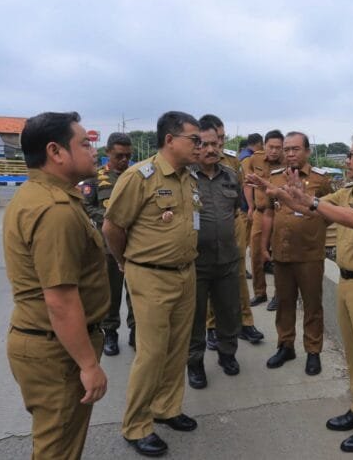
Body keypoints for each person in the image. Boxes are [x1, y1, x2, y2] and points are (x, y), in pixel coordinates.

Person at [247, 132, 353, 453]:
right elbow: (307, 208)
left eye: (352, 155)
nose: (347, 160)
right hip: (348, 282)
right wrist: (286, 194)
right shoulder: (348, 192)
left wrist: (312, 201)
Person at [3, 111, 110, 459]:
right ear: (56, 151)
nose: (94, 150)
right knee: (58, 449)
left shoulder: (40, 194)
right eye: (84, 143)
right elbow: (61, 301)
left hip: (47, 342)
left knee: (57, 443)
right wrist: (88, 365)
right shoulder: (55, 210)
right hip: (57, 353)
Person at [103, 111, 201, 457]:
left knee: (177, 347)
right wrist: (125, 262)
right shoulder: (139, 177)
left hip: (185, 272)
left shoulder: (188, 178)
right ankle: (136, 425)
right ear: (170, 139)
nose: (199, 145)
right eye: (194, 139)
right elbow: (112, 227)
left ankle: (167, 408)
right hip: (150, 275)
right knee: (152, 353)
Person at [261, 132, 332, 375]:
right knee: (284, 303)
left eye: (295, 149)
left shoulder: (321, 180)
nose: (290, 154)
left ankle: (313, 351)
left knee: (312, 305)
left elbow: (330, 214)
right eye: (287, 149)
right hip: (282, 253)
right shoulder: (274, 178)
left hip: (310, 255)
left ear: (307, 151)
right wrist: (263, 246)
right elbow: (269, 213)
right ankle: (285, 346)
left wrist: (311, 225)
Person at [187, 121, 244, 389]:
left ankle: (227, 354)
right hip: (195, 261)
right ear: (195, 146)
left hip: (227, 260)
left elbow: (235, 210)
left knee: (229, 311)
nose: (211, 149)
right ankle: (195, 362)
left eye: (215, 144)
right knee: (195, 316)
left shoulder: (231, 175)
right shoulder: (184, 177)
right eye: (204, 144)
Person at [201, 115, 264, 348]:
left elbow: (239, 190)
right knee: (209, 273)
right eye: (214, 138)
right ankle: (211, 326)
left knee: (237, 272)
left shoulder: (232, 161)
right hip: (204, 226)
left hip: (232, 219)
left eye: (221, 138)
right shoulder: (193, 164)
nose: (218, 144)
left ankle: (245, 322)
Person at [81, 132, 135, 356]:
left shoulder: (136, 176)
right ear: (108, 153)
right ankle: (110, 332)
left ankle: (136, 330)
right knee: (111, 293)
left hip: (135, 246)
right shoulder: (95, 178)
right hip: (108, 247)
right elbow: (86, 206)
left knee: (136, 292)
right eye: (119, 155)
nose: (124, 160)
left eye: (128, 156)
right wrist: (110, 220)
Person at [243, 129, 284, 310]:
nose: (274, 151)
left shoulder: (288, 162)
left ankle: (279, 295)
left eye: (278, 147)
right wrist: (250, 206)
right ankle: (260, 292)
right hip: (260, 212)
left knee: (279, 254)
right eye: (271, 147)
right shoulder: (255, 159)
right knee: (256, 253)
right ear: (264, 146)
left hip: (280, 213)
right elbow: (247, 183)